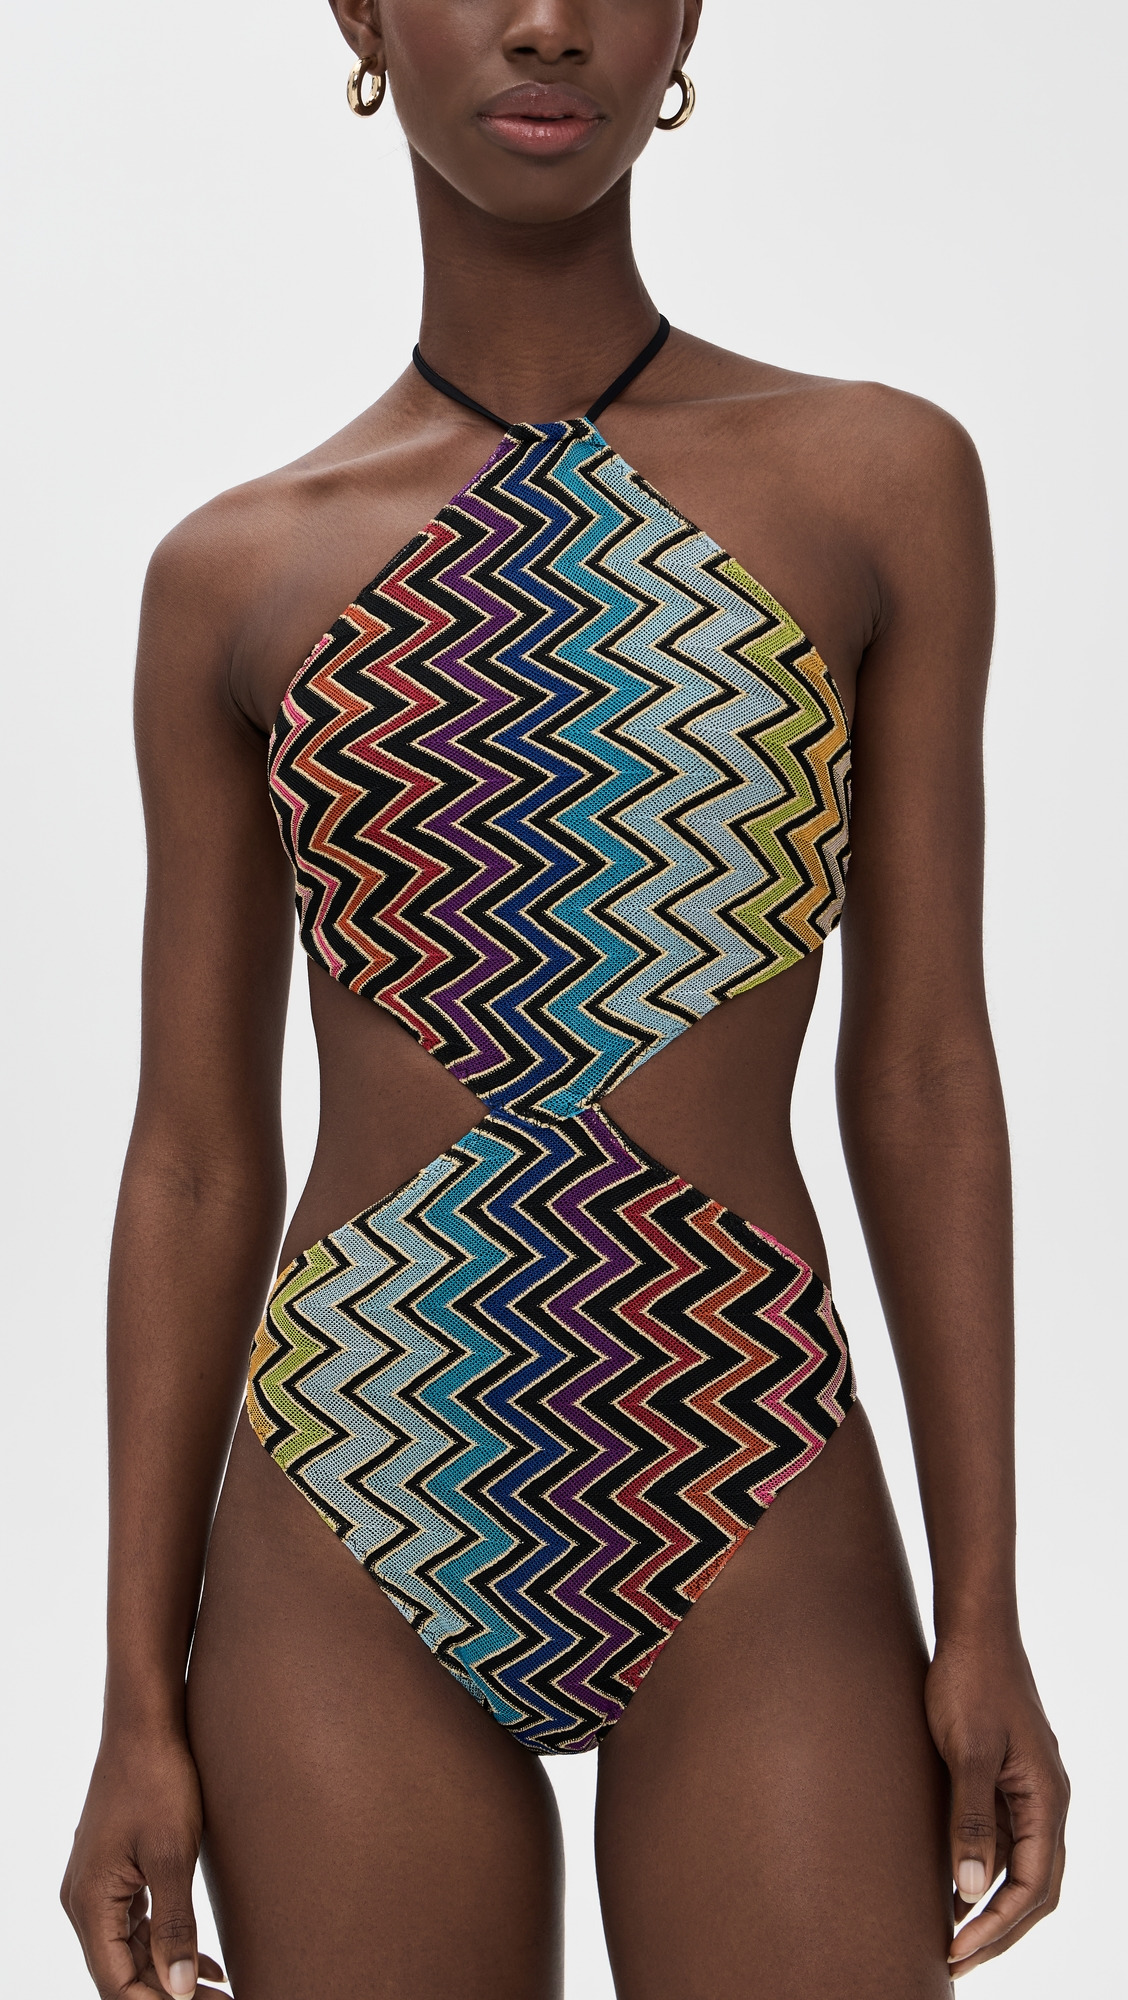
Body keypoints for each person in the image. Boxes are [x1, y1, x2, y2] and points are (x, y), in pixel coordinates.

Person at [61, 4, 1069, 1995]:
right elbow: (192, 1158)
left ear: (686, 19)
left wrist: (986, 1604)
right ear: (363, 16)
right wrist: (128, 1705)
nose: (545, 19)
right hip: (349, 1489)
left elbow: (926, 1070)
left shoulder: (878, 481)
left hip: (747, 1456)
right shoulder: (231, 578)